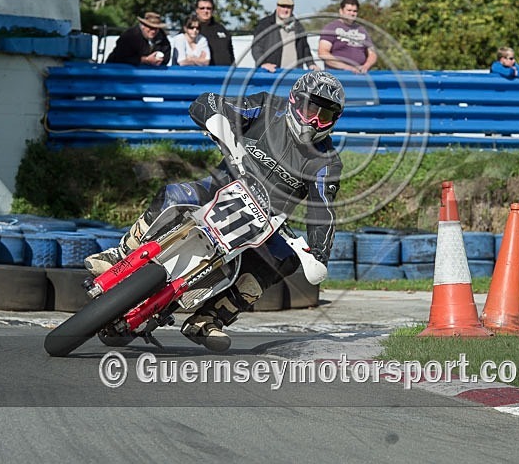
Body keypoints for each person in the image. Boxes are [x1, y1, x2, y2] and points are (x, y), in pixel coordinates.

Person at [84, 71, 345, 352]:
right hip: (218, 188)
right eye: (310, 109)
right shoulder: (267, 107)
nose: (315, 121)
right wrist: (217, 122)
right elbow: (208, 102)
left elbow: (322, 212)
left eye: (325, 116)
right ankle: (120, 255)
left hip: (265, 223)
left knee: (285, 258)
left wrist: (318, 254)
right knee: (176, 194)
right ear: (295, 100)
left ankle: (210, 318)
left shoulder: (326, 162)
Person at [250, 0, 319, 72]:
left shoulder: (298, 26)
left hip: (295, 74)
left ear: (292, 8)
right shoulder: (265, 24)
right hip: (271, 73)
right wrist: (263, 64)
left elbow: (305, 48)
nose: (285, 10)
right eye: (283, 6)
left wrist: (311, 64)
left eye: (288, 7)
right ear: (277, 7)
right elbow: (256, 47)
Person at [318, 0, 377, 73]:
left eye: (355, 11)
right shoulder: (331, 28)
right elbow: (323, 53)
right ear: (341, 11)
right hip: (337, 75)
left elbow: (372, 53)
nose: (352, 13)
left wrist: (366, 66)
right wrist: (348, 68)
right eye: (349, 10)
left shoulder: (362, 30)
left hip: (360, 75)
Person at [106, 12, 170, 66]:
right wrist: (145, 60)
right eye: (150, 27)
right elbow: (120, 57)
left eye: (156, 28)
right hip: (118, 70)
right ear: (143, 26)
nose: (153, 31)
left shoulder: (162, 37)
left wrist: (159, 60)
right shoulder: (130, 36)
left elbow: (166, 55)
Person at [195, 0, 235, 66]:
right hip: (202, 74)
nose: (205, 11)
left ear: (212, 10)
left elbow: (231, 54)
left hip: (225, 73)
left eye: (208, 8)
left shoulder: (221, 29)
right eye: (202, 8)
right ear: (197, 10)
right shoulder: (190, 29)